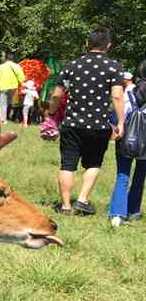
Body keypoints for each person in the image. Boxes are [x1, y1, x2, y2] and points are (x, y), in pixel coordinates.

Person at [48, 28, 126, 216]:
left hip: (72, 123)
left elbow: (57, 94)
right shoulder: (114, 67)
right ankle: (82, 200)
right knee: (94, 163)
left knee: (67, 164)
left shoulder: (72, 66)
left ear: (86, 44)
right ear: (109, 45)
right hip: (99, 125)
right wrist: (121, 122)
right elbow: (117, 97)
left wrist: (50, 113)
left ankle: (65, 206)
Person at [107, 62, 146, 225]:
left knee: (122, 175)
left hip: (127, 136)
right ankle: (134, 210)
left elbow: (118, 113)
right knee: (140, 176)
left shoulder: (129, 91)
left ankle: (117, 213)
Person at [0, 51, 25, 124]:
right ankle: (5, 118)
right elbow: (21, 78)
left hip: (3, 86)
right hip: (13, 87)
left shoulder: (2, 66)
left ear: (6, 58)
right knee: (8, 103)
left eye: (2, 57)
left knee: (3, 103)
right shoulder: (17, 66)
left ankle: (3, 120)